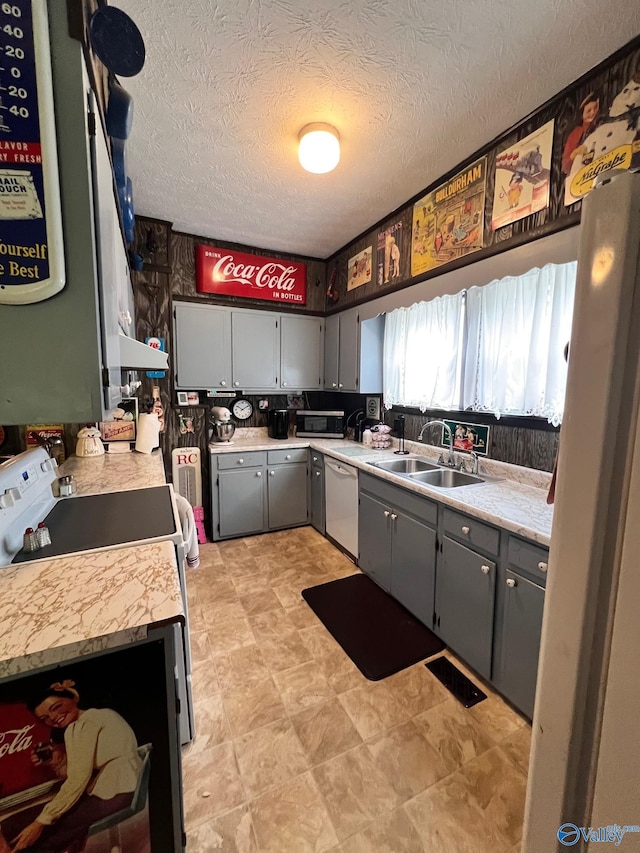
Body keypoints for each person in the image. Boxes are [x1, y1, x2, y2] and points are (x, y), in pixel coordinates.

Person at [1, 680, 142, 853]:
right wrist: (58, 761)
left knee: (28, 832)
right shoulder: (95, 718)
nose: (53, 718)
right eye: (45, 718)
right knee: (18, 825)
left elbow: (78, 780)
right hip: (117, 792)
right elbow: (81, 772)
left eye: (56, 707)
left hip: (112, 797)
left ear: (74, 697)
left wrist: (40, 822)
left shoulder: (85, 724)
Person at [561, 92, 600, 174]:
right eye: (588, 111)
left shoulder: (604, 124)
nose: (593, 112)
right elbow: (565, 167)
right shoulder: (574, 135)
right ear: (582, 115)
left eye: (595, 108)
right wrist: (574, 155)